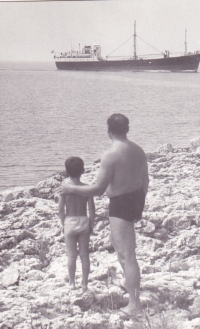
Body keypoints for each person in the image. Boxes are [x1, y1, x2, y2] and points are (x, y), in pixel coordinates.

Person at [60, 113, 149, 317]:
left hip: (121, 203)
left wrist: (71, 189)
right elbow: (145, 181)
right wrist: (140, 206)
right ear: (127, 128)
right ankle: (129, 282)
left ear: (109, 129)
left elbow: (97, 190)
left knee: (127, 255)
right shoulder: (138, 150)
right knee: (121, 248)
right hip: (135, 199)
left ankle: (135, 306)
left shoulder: (111, 154)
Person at [58, 156, 95, 292]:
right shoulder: (87, 189)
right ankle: (84, 283)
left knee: (71, 255)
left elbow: (61, 209)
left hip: (70, 221)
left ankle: (72, 283)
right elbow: (91, 208)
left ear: (66, 171)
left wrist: (63, 224)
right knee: (85, 255)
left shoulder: (64, 189)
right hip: (83, 221)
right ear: (83, 170)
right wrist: (91, 223)